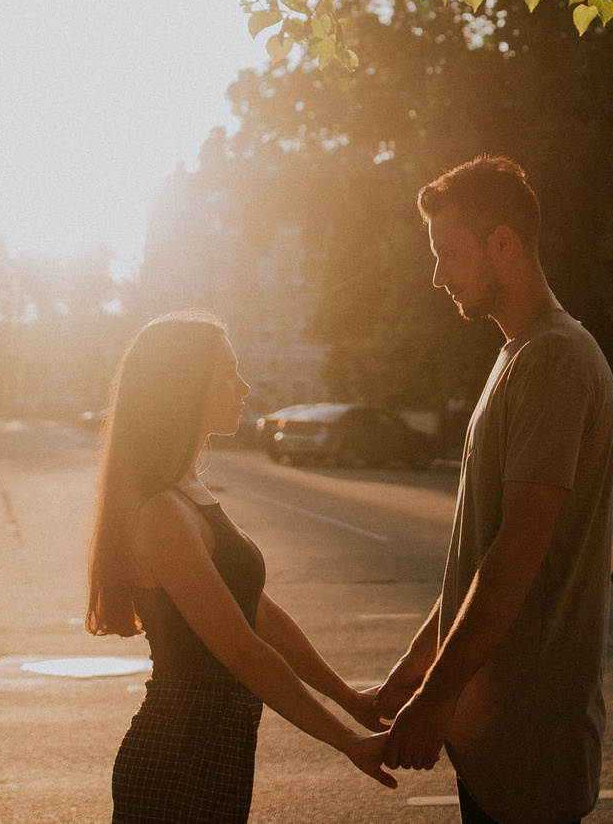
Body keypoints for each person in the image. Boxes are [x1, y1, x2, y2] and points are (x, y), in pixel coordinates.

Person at [368, 156, 613, 824]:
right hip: (499, 739)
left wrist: (437, 695)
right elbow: (478, 555)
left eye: (450, 252)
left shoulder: (553, 359)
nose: (437, 274)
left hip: (532, 740)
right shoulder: (517, 354)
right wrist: (412, 673)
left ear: (502, 242)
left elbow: (522, 542)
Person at [89, 312, 392, 822]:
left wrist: (351, 700)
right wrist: (349, 742)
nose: (244, 386)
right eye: (228, 372)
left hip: (214, 753)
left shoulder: (186, 491)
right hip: (178, 762)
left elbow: (263, 618)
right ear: (184, 388)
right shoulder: (162, 510)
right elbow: (242, 652)